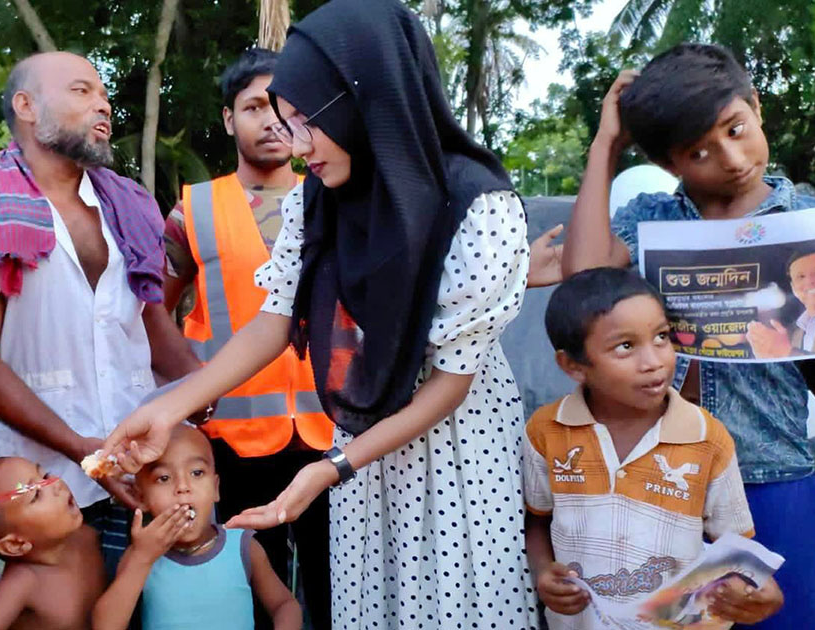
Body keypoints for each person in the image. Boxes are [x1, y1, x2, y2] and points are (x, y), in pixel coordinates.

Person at [103, 1, 540, 627]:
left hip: (452, 452)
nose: (295, 143)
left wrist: (333, 467)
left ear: (366, 100)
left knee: (455, 605)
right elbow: (275, 319)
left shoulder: (478, 207)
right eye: (288, 121)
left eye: (308, 121)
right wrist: (167, 406)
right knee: (373, 603)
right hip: (361, 436)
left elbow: (448, 386)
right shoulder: (320, 197)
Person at [561, 43, 815, 629]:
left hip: (772, 478)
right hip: (670, 488)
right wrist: (605, 146)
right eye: (699, 150)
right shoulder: (652, 221)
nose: (731, 157)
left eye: (736, 129)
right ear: (671, 164)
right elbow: (586, 283)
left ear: (756, 108)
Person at [0, 51, 201, 578]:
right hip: (41, 492)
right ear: (26, 106)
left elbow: (151, 324)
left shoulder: (128, 205)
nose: (103, 106)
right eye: (81, 91)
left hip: (139, 468)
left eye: (104, 95)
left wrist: (204, 390)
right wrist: (83, 451)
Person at [162, 47, 333, 629]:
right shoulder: (194, 212)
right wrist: (188, 386)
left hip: (331, 439)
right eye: (254, 106)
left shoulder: (337, 202)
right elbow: (154, 312)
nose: (271, 120)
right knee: (250, 598)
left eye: (283, 107)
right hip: (231, 445)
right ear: (230, 118)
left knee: (336, 591)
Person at [524, 268, 783, 629]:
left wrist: (761, 592)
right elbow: (536, 520)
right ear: (573, 366)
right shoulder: (547, 431)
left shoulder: (707, 438)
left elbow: (734, 549)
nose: (654, 361)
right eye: (625, 346)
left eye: (661, 337)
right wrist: (542, 573)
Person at [93, 424, 302, 630]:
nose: (183, 487)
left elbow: (284, 605)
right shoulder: (140, 556)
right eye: (164, 478)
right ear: (141, 497)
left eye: (196, 473)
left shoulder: (242, 547)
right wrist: (141, 558)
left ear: (215, 488)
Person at [0, 457, 105, 630]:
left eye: (45, 475)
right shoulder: (22, 582)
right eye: (36, 495)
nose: (55, 484)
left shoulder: (87, 536)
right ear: (15, 544)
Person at [747, 248, 815, 358]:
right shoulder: (795, 331)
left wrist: (786, 352)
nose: (810, 281)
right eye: (800, 276)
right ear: (793, 288)